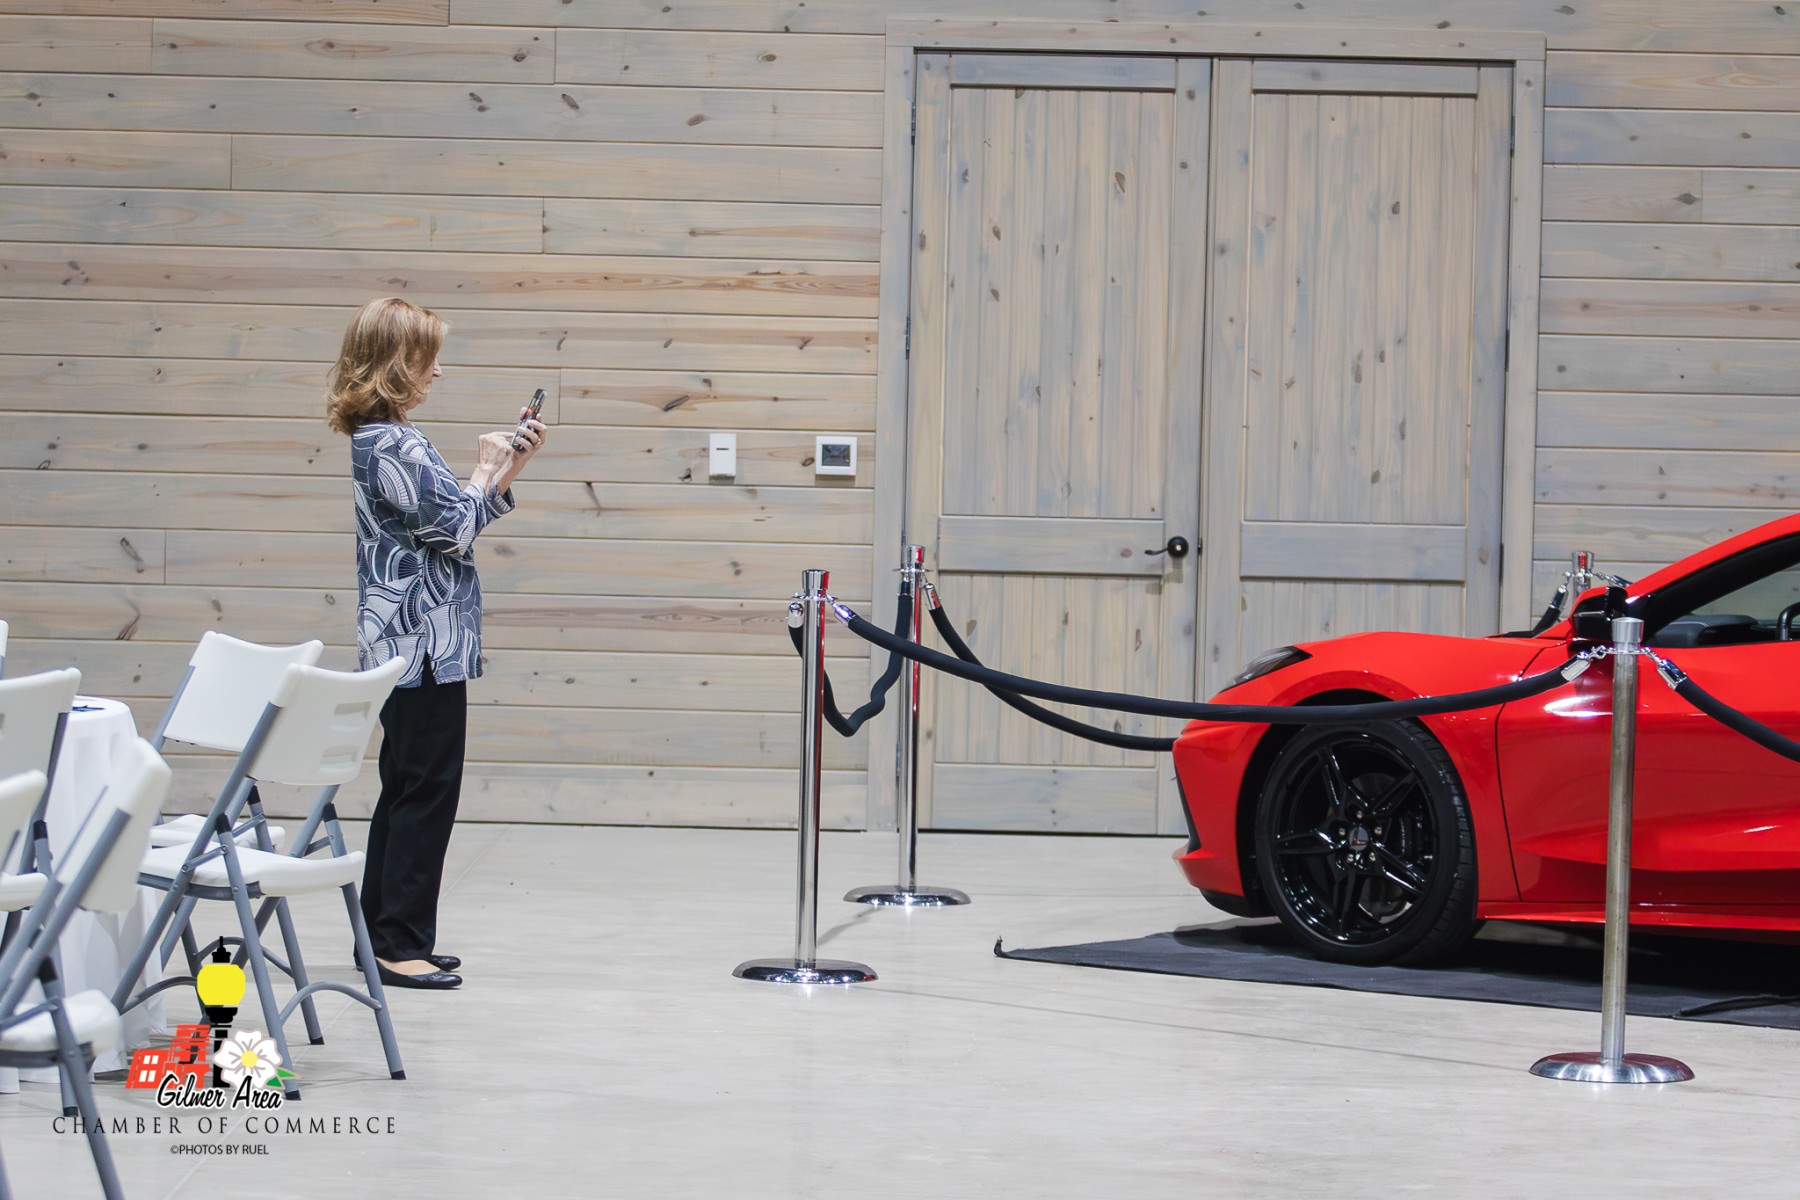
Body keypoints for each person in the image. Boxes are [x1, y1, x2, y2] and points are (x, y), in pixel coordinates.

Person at [325, 297, 547, 990]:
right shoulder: (390, 443)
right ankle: (398, 944)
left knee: (406, 788)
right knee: (426, 792)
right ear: (396, 362)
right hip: (420, 642)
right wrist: (483, 469)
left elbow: (451, 522)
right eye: (428, 359)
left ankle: (384, 936)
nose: (438, 372)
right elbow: (452, 529)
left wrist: (506, 469)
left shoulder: (388, 438)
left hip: (413, 641)